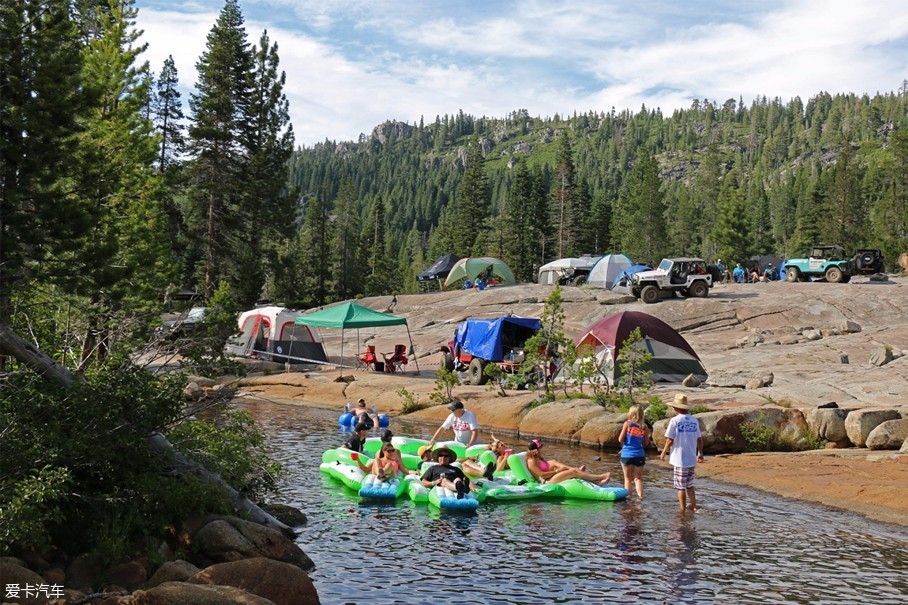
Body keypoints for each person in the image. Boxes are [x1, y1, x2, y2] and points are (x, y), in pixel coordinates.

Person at [659, 394, 704, 513]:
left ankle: (682, 510)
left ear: (676, 408)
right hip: (691, 458)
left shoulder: (675, 420)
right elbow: (699, 439)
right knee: (690, 485)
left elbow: (669, 439)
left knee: (680, 487)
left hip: (680, 459)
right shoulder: (694, 420)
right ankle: (694, 506)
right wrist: (700, 453)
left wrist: (663, 452)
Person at [525, 439, 611, 486]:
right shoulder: (531, 461)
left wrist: (558, 469)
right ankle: (600, 477)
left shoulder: (538, 458)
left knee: (554, 462)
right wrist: (558, 471)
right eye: (540, 447)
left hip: (551, 476)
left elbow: (546, 469)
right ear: (536, 450)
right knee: (574, 472)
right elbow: (542, 475)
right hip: (547, 481)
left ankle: (596, 483)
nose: (542, 448)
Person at [618, 405, 650, 500]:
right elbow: (646, 443)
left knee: (627, 479)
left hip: (627, 454)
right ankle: (640, 497)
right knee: (638, 479)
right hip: (639, 455)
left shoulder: (627, 424)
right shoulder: (644, 427)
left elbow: (620, 439)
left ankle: (628, 497)